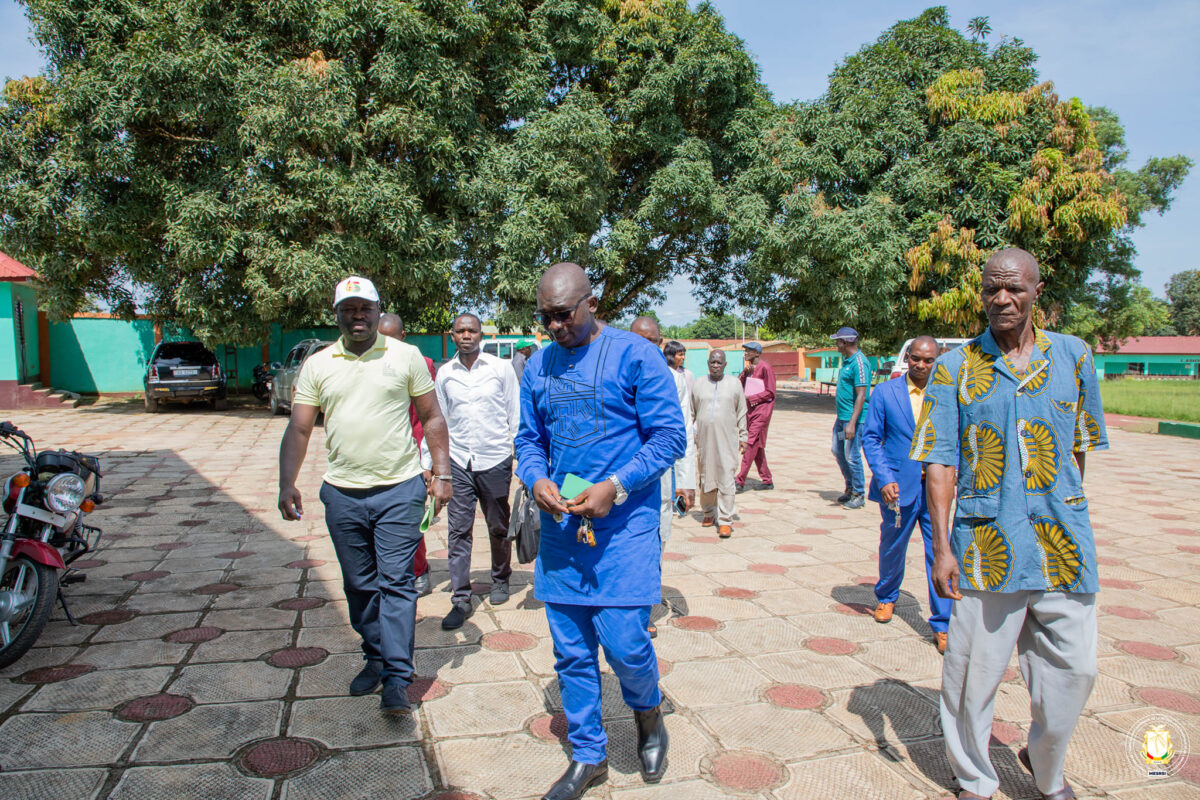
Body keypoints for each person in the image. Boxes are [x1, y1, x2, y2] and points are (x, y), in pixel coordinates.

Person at [912, 248, 1108, 800]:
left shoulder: (1074, 357)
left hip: (1063, 543)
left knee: (1075, 671)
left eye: (1014, 289)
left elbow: (1079, 449)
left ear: (1036, 292)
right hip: (985, 544)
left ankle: (1047, 768)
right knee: (973, 676)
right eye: (992, 289)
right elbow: (939, 463)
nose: (1002, 298)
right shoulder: (954, 367)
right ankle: (975, 777)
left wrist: (1066, 502)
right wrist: (944, 548)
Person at [515, 263, 685, 800]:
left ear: (592, 304)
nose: (555, 327)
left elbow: (669, 437)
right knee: (571, 651)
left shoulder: (637, 356)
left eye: (564, 314)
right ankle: (589, 755)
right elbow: (528, 439)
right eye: (545, 318)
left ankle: (648, 713)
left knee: (626, 642)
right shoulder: (538, 366)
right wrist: (536, 476)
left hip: (625, 527)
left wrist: (617, 482)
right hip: (564, 530)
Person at [278, 277, 452, 715]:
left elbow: (431, 417)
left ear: (378, 311)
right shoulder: (318, 364)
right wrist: (287, 482)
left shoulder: (406, 356)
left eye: (365, 309)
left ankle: (397, 676)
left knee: (396, 583)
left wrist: (443, 472)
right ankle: (374, 657)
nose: (358, 316)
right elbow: (299, 427)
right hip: (343, 494)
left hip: (399, 489)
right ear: (336, 314)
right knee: (359, 586)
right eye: (348, 309)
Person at [861, 335, 952, 653]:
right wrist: (884, 477)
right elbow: (871, 437)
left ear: (937, 360)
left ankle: (943, 624)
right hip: (898, 489)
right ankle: (886, 596)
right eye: (916, 358)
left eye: (928, 360)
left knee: (940, 552)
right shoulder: (886, 392)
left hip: (938, 489)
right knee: (892, 547)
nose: (921, 365)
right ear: (907, 357)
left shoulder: (947, 392)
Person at [435, 313, 520, 629]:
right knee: (458, 530)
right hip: (459, 462)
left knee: (498, 524)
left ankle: (500, 578)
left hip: (495, 459)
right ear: (453, 335)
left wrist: (519, 457)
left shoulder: (500, 369)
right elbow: (439, 421)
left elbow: (515, 415)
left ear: (481, 335)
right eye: (461, 331)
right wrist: (434, 466)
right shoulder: (444, 375)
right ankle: (460, 597)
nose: (467, 335)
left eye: (472, 330)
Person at [631, 317, 696, 638]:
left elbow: (682, 431)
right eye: (638, 339)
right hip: (620, 478)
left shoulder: (674, 380)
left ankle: (642, 611)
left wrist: (687, 480)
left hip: (660, 479)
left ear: (660, 344)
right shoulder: (613, 373)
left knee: (653, 544)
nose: (646, 347)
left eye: (652, 341)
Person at [378, 312, 435, 597]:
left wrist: (428, 461)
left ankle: (419, 570)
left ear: (403, 336)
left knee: (412, 518)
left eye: (391, 338)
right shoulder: (368, 366)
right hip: (379, 455)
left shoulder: (422, 364)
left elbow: (430, 416)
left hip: (413, 454)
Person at [692, 349, 748, 538]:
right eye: (712, 362)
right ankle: (708, 512)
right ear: (708, 363)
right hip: (704, 440)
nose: (715, 366)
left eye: (719, 363)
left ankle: (725, 520)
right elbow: (691, 412)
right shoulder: (699, 384)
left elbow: (742, 412)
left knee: (726, 476)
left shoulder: (734, 384)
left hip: (727, 440)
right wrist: (690, 433)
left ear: (725, 365)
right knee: (706, 475)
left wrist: (744, 437)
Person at [831, 327, 871, 509]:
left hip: (854, 420)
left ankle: (859, 493)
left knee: (852, 455)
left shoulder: (860, 363)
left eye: (837, 341)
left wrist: (852, 423)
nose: (836, 345)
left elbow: (862, 394)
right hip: (842, 418)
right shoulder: (847, 361)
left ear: (844, 342)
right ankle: (850, 487)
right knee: (838, 451)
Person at [736, 342, 775, 491]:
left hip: (762, 412)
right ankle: (767, 480)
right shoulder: (749, 369)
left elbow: (770, 392)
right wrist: (744, 373)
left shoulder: (765, 368)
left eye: (749, 351)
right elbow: (738, 385)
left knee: (750, 443)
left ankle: (740, 480)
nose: (746, 353)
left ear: (757, 353)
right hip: (750, 412)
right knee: (757, 447)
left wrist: (752, 398)